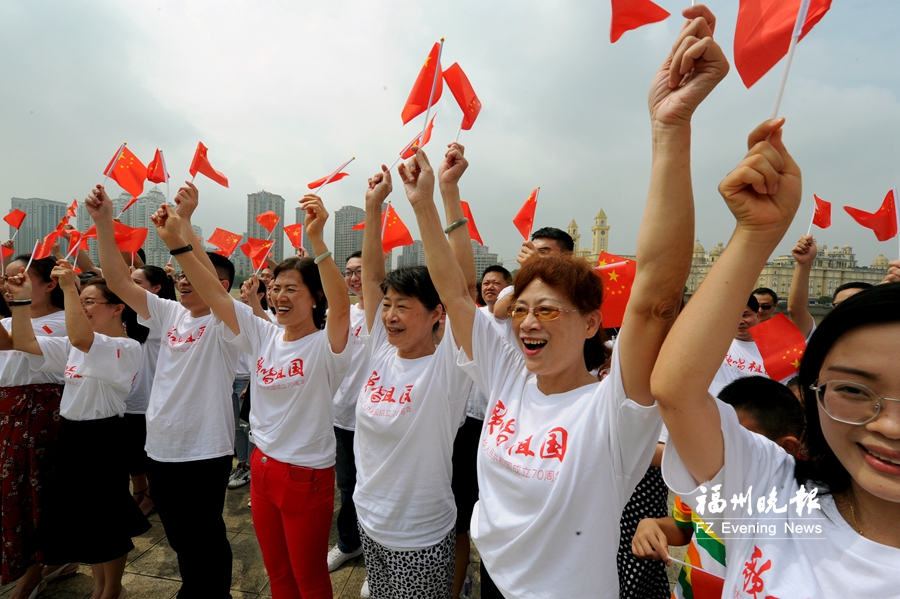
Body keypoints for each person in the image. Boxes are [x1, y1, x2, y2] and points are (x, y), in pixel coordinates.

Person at [406, 7, 727, 596]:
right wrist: (431, 198)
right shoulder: (507, 375)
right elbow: (452, 293)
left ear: (590, 324)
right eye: (522, 308)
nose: (528, 321)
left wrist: (670, 127)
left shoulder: (613, 413)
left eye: (549, 310)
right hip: (494, 580)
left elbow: (657, 296)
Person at [650, 117, 900, 596]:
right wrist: (754, 235)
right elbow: (676, 391)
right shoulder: (771, 491)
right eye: (853, 390)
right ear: (811, 395)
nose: (889, 425)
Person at [152, 192, 351, 599]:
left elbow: (343, 306)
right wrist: (177, 240)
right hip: (261, 467)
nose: (280, 296)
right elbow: (213, 290)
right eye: (276, 288)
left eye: (292, 289)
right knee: (277, 572)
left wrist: (317, 239)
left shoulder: (327, 346)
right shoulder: (263, 335)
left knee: (308, 576)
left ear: (315, 297)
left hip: (306, 475)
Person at [85, 182, 240, 599]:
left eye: (196, 278)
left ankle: (211, 594)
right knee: (178, 536)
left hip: (204, 449)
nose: (184, 283)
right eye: (181, 279)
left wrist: (184, 227)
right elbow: (117, 280)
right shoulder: (170, 314)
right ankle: (194, 589)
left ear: (220, 285)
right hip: (162, 447)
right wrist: (102, 222)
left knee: (206, 534)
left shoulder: (226, 324)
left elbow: (203, 275)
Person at [355, 142, 477, 599]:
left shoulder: (449, 368)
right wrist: (374, 206)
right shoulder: (379, 353)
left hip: (419, 532)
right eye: (387, 306)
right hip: (370, 518)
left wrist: (441, 195)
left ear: (436, 315)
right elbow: (370, 278)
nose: (388, 315)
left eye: (403, 307)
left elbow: (462, 288)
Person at [9, 262, 149, 599]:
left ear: (117, 308)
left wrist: (70, 288)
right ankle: (100, 586)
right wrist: (20, 301)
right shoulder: (77, 344)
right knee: (87, 517)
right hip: (72, 434)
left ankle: (111, 589)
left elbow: (82, 338)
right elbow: (24, 341)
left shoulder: (125, 347)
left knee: (107, 517)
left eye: (91, 302)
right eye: (81, 301)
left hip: (102, 438)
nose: (83, 307)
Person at [632, 376, 804, 598]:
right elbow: (683, 528)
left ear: (786, 447)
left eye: (741, 442)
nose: (720, 450)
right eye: (718, 438)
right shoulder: (700, 481)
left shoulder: (798, 507)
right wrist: (652, 526)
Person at [0, 255, 69, 599]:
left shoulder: (64, 321)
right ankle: (47, 561)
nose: (9, 286)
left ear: (50, 284)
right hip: (7, 409)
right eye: (6, 280)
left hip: (41, 412)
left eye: (19, 279)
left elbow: (14, 344)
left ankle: (34, 572)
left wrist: (20, 304)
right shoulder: (7, 319)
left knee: (36, 494)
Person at [450, 264, 513, 598]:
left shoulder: (518, 324)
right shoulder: (474, 320)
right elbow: (456, 292)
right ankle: (460, 582)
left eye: (497, 284)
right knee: (461, 511)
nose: (490, 288)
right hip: (469, 424)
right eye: (486, 283)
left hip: (502, 429)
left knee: (494, 513)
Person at [326, 250, 367, 572]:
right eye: (349, 272)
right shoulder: (341, 313)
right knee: (348, 485)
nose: (354, 277)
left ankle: (377, 556)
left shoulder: (387, 314)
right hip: (342, 416)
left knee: (375, 486)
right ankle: (349, 543)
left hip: (377, 419)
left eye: (361, 271)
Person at [125, 265, 177, 516]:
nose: (130, 287)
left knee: (151, 452)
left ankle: (152, 496)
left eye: (138, 282)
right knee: (131, 451)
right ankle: (139, 490)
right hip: (126, 396)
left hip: (153, 396)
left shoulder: (164, 316)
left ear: (157, 288)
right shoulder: (122, 313)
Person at [226, 277, 269, 491]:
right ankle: (241, 463)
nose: (242, 295)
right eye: (241, 291)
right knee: (236, 427)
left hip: (248, 382)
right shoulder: (235, 317)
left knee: (249, 427)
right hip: (232, 380)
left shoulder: (266, 320)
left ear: (260, 295)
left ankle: (252, 468)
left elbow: (265, 356)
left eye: (247, 291)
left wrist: (251, 383)